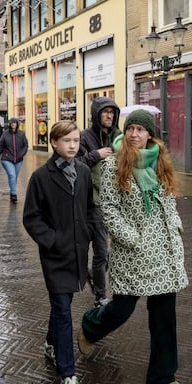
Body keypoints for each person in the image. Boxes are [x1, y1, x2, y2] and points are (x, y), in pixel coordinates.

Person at [77, 109, 189, 384]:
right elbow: (109, 209)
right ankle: (90, 327)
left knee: (164, 315)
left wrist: (176, 226)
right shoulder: (114, 165)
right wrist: (131, 238)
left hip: (163, 249)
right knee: (122, 309)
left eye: (141, 129)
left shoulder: (160, 162)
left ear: (150, 134)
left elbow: (168, 200)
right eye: (131, 129)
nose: (135, 134)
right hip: (134, 251)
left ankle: (163, 375)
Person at [23, 121, 103, 384]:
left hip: (78, 253)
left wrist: (92, 234)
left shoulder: (82, 171)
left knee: (63, 304)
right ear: (54, 142)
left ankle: (50, 343)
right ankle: (68, 376)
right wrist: (53, 240)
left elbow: (90, 209)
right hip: (56, 256)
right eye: (67, 140)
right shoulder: (41, 177)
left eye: (76, 140)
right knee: (63, 310)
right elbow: (31, 218)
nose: (73, 145)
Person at [76, 97, 121, 307]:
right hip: (91, 205)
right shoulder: (84, 137)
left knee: (112, 251)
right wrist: (95, 155)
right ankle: (101, 297)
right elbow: (75, 164)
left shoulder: (117, 136)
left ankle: (95, 275)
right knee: (100, 252)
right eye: (105, 112)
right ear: (96, 115)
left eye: (112, 112)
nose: (109, 115)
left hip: (115, 203)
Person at [0, 117, 28, 204]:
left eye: (15, 123)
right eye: (11, 123)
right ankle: (14, 194)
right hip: (7, 158)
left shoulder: (21, 134)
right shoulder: (5, 134)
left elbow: (25, 146)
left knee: (14, 177)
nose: (13, 124)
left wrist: (22, 154)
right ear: (9, 124)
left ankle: (12, 191)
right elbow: (0, 146)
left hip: (18, 160)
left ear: (17, 124)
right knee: (12, 174)